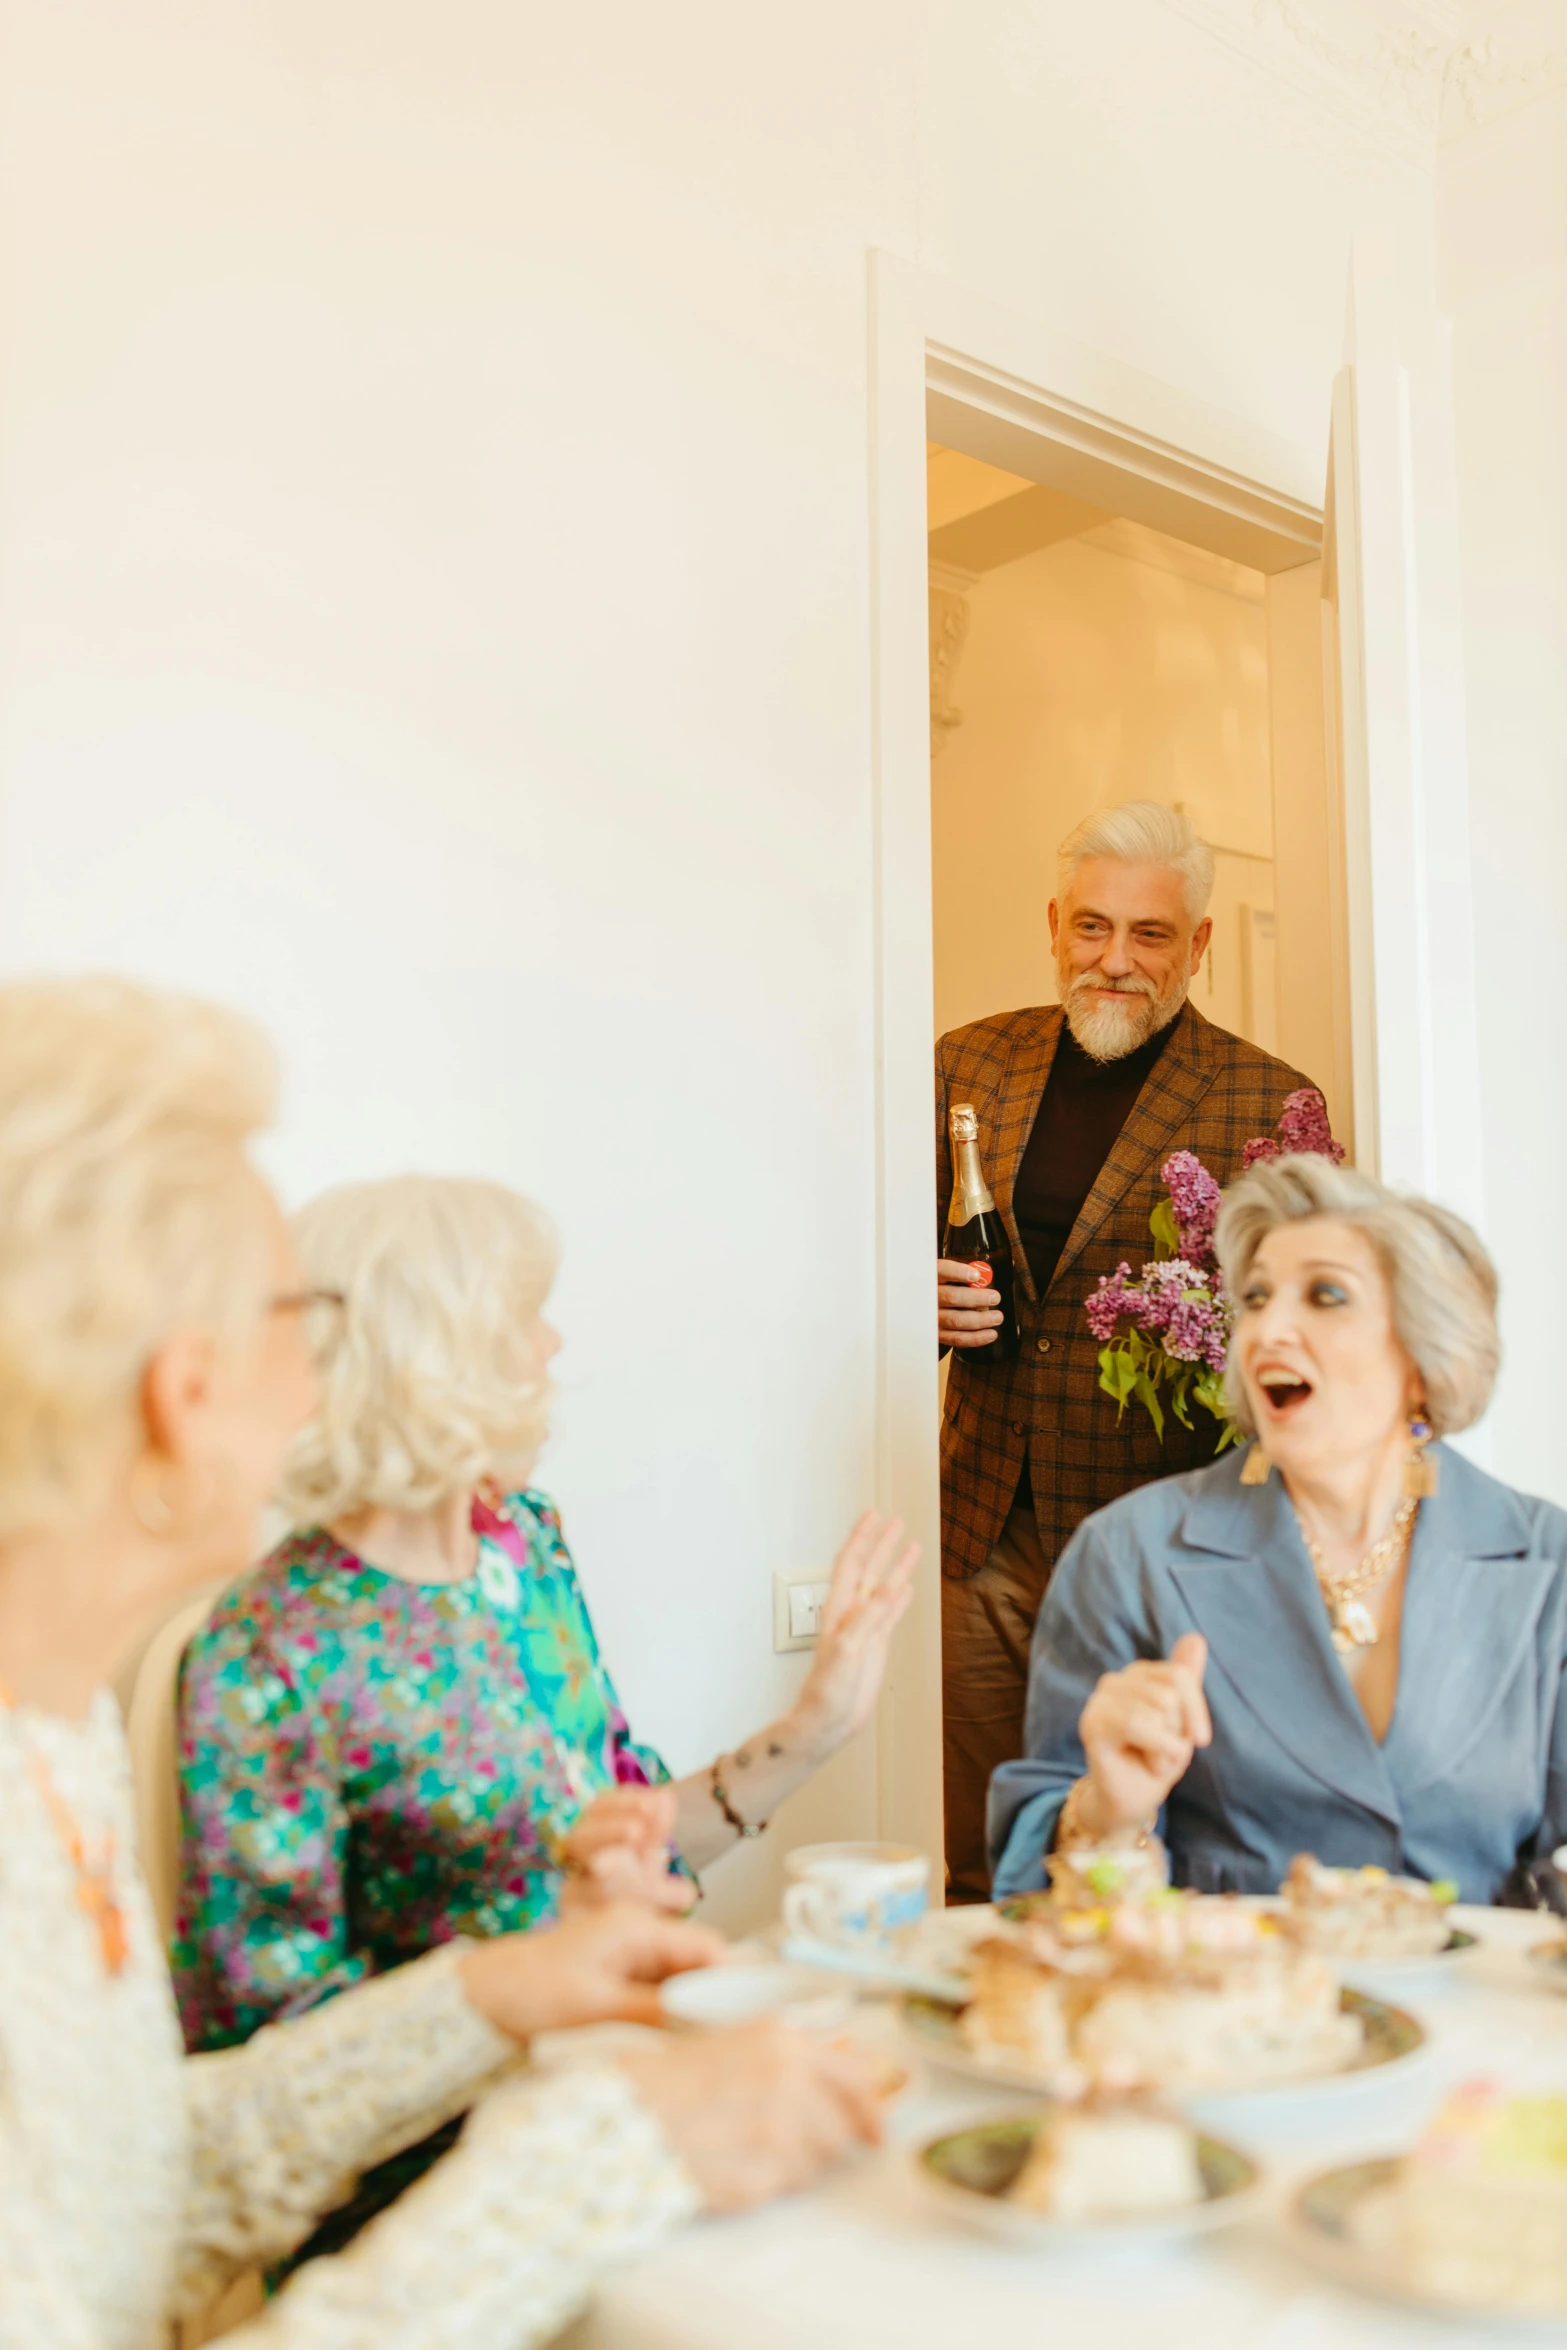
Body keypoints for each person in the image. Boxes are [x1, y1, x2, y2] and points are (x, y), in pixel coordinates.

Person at [0, 977, 883, 2350]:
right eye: (289, 1313)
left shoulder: (48, 1750)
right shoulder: (257, 1651)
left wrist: (493, 1989)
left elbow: (139, 2186)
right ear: (183, 1393)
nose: (317, 1372)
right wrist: (603, 2158)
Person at [175, 1173, 914, 2048]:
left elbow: (639, 1838)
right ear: (431, 1361)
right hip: (441, 2145)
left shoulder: (523, 1549)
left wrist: (816, 1725)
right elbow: (264, 2050)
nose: (552, 1345)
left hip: (601, 2054)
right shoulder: (266, 1652)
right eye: (526, 1318)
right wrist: (559, 1937)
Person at [936, 797, 1331, 1899]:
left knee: (1154, 1843)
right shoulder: (966, 1065)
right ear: (1055, 923)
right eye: (1093, 927)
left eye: (1150, 934)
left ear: (1198, 945)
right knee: (985, 1858)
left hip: (1165, 1542)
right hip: (983, 1530)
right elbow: (869, 1265)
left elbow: (1307, 1334)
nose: (1115, 959)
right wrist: (916, 1305)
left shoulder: (1272, 1098)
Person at [989, 1154, 1567, 1906]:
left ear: (1424, 1356)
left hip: (1477, 2015)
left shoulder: (1545, 1558)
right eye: (1256, 1298)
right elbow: (1035, 1900)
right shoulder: (1126, 1554)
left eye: (1325, 1295)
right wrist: (1108, 1812)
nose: (1267, 1329)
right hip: (1231, 2012)